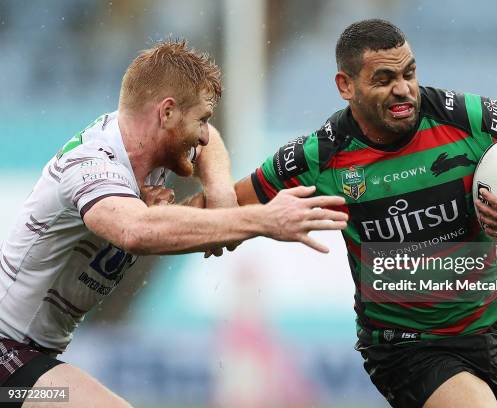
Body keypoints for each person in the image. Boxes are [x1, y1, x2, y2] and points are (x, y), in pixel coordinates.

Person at [235, 19, 497, 408]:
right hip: (402, 344)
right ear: (346, 86)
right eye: (384, 78)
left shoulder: (470, 119)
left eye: (408, 73)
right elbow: (228, 207)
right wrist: (164, 217)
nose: (403, 89)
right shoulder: (320, 156)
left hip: (491, 330)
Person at [0, 39, 348, 408]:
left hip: (35, 355)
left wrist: (219, 192)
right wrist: (262, 219)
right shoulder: (91, 164)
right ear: (166, 112)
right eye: (201, 119)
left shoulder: (146, 146)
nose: (202, 133)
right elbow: (137, 231)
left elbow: (209, 143)